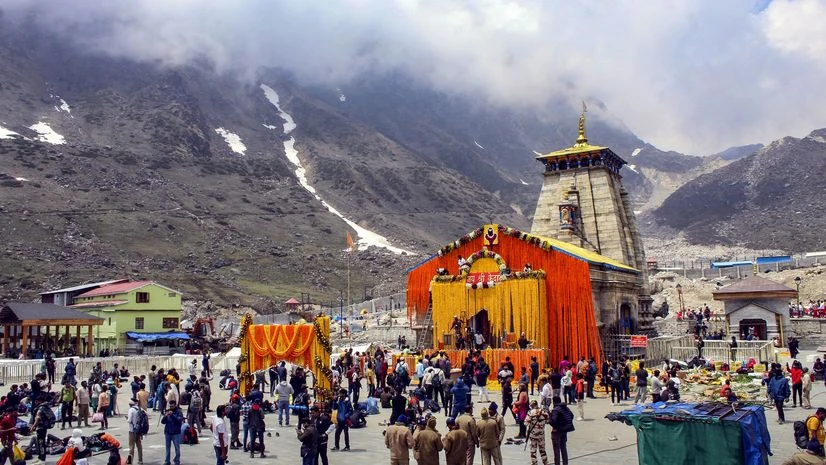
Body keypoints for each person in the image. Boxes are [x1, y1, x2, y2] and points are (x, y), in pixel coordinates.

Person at [549, 396, 574, 465]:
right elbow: (571, 416)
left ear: (553, 402)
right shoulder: (566, 408)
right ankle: (565, 463)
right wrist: (564, 425)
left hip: (557, 432)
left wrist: (557, 427)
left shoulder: (556, 410)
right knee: (563, 448)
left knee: (556, 450)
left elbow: (553, 421)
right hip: (564, 431)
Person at [525, 400, 548, 465]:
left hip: (533, 435)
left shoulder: (530, 412)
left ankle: (534, 462)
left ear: (532, 405)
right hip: (541, 435)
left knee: (533, 450)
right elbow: (548, 421)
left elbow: (525, 423)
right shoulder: (544, 412)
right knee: (542, 450)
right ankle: (545, 462)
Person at [161, 399, 184, 465]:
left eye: (172, 406)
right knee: (167, 448)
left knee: (177, 448)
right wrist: (165, 416)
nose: (171, 407)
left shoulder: (179, 412)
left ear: (175, 405)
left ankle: (177, 461)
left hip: (175, 433)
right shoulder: (168, 411)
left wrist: (172, 415)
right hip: (168, 432)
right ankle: (167, 461)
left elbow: (178, 420)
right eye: (170, 406)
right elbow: (163, 422)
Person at [30, 398, 53, 465]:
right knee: (40, 443)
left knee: (41, 443)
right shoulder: (44, 407)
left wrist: (33, 426)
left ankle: (42, 460)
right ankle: (40, 457)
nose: (35, 402)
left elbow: (38, 418)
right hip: (43, 427)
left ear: (40, 401)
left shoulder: (41, 408)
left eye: (36, 401)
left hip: (41, 428)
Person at [127, 398, 145, 465]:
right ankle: (140, 460)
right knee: (139, 446)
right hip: (139, 430)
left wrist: (127, 419)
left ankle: (130, 462)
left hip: (132, 431)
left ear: (130, 404)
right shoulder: (140, 409)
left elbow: (129, 420)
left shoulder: (131, 410)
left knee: (131, 447)